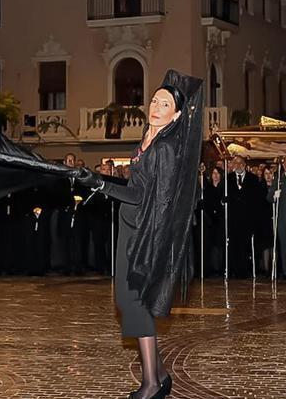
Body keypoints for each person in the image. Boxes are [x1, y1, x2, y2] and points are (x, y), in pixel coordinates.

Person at [73, 72, 202, 399]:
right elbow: (136, 189)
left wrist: (102, 184)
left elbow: (147, 197)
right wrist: (99, 183)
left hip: (146, 233)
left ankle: (151, 383)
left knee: (136, 302)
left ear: (176, 114)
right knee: (126, 301)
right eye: (155, 100)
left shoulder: (166, 149)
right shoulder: (148, 139)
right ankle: (159, 372)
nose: (156, 107)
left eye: (165, 104)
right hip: (131, 227)